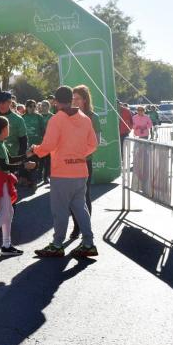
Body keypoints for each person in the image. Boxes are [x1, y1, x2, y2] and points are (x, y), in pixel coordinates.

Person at [29, 86, 98, 258]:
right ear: (71, 99)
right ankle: (88, 243)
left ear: (56, 102)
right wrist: (78, 155)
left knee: (60, 211)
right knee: (80, 209)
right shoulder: (84, 118)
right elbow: (93, 144)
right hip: (80, 170)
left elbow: (48, 145)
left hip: (62, 172)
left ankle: (57, 244)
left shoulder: (56, 119)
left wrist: (35, 150)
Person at [0, 117, 36, 258]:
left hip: (3, 179)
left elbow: (11, 159)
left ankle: (6, 245)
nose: (9, 128)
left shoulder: (0, 143)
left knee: (8, 212)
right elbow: (4, 166)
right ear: (3, 129)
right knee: (4, 214)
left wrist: (28, 154)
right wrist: (24, 165)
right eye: (8, 126)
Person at [70, 85, 101, 239]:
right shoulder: (68, 115)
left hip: (84, 162)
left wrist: (80, 155)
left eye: (77, 99)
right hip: (68, 163)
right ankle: (76, 226)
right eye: (72, 98)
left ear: (85, 100)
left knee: (84, 195)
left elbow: (96, 142)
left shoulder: (93, 117)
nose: (74, 101)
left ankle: (84, 228)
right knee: (70, 196)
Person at [21, 100, 45, 189]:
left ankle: (34, 182)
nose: (32, 108)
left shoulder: (39, 117)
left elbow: (43, 130)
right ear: (26, 107)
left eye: (34, 106)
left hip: (37, 145)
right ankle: (29, 180)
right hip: (26, 144)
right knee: (27, 163)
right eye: (30, 106)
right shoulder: (22, 117)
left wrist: (43, 143)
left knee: (35, 163)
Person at [38, 100, 54, 184]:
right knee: (40, 160)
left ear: (48, 107)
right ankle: (39, 176)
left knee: (48, 160)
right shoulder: (38, 116)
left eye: (45, 105)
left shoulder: (53, 116)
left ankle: (46, 177)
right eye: (42, 105)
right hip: (40, 141)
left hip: (49, 141)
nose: (43, 107)